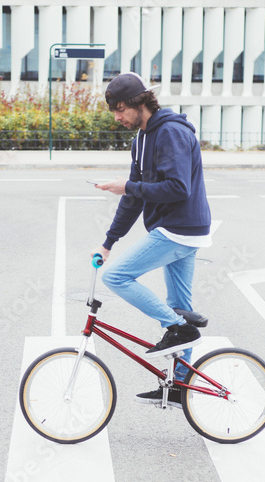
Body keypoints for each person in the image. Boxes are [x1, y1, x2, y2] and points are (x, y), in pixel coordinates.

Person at [93, 72, 213, 409]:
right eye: (113, 111)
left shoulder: (171, 132)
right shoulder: (142, 139)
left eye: (120, 109)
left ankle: (177, 328)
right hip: (177, 228)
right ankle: (179, 386)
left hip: (180, 228)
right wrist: (108, 242)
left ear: (139, 103)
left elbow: (178, 187)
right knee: (180, 307)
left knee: (116, 277)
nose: (116, 117)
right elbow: (133, 198)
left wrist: (128, 186)